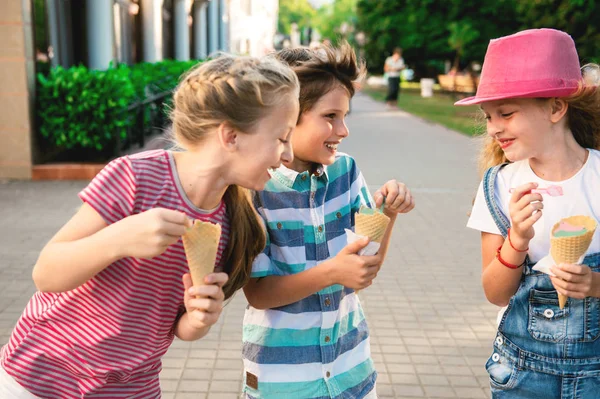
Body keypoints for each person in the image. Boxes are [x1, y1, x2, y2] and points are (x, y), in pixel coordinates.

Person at [0, 55, 300, 398]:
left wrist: (199, 318)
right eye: (281, 138)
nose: (289, 154)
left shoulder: (234, 223)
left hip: (130, 389)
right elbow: (46, 273)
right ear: (231, 136)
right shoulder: (135, 177)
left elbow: (178, 326)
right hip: (41, 378)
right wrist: (120, 238)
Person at [241, 43, 415, 399]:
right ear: (287, 118)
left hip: (351, 367)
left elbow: (365, 269)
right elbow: (258, 293)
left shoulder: (346, 172)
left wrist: (389, 214)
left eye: (345, 116)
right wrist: (332, 273)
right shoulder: (255, 189)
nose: (344, 130)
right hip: (284, 380)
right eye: (331, 116)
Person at [459, 29, 600, 398]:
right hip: (522, 374)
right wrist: (517, 240)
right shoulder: (500, 186)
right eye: (488, 116)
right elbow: (495, 293)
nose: (492, 129)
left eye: (505, 113)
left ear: (556, 107)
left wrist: (596, 286)